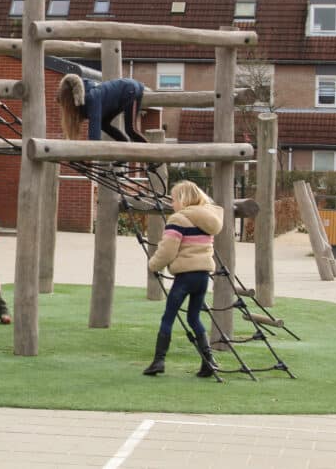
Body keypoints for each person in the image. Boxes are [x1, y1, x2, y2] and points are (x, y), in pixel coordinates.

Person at [143, 181, 222, 377]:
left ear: (183, 199)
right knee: (194, 318)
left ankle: (158, 361)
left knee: (168, 317)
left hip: (185, 276)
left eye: (174, 198)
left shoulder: (178, 219)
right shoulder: (208, 219)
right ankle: (208, 360)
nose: (171, 203)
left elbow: (168, 250)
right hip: (203, 276)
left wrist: (153, 265)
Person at [57, 74, 147, 143]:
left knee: (131, 130)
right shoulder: (81, 102)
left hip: (130, 89)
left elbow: (94, 129)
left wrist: (89, 150)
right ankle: (124, 146)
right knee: (103, 124)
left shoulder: (90, 97)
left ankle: (151, 156)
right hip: (119, 97)